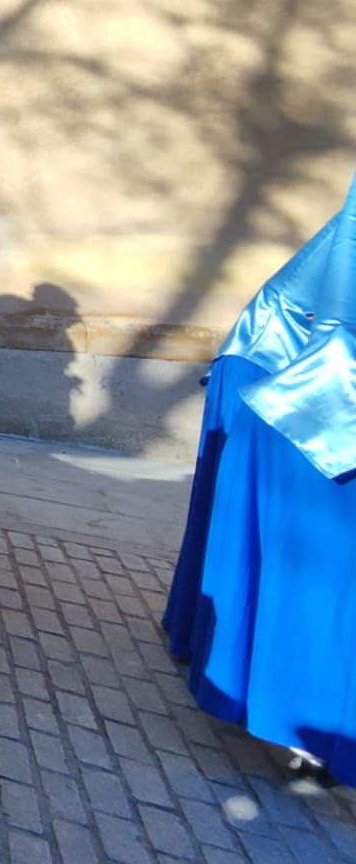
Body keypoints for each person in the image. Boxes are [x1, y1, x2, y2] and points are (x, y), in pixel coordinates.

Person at [187, 170, 356, 787]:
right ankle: (300, 721)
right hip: (320, 396)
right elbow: (340, 336)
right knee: (314, 570)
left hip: (310, 379)